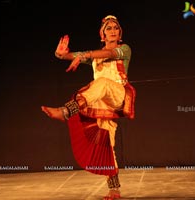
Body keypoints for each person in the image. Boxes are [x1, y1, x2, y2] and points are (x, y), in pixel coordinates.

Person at [41, 15, 136, 200]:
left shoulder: (124, 49)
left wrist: (84, 55)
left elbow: (108, 54)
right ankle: (114, 190)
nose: (113, 31)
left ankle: (66, 111)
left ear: (120, 33)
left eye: (116, 27)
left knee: (101, 82)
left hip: (118, 95)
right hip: (102, 102)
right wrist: (60, 54)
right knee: (107, 143)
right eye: (108, 28)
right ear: (102, 34)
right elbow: (69, 56)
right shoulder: (93, 55)